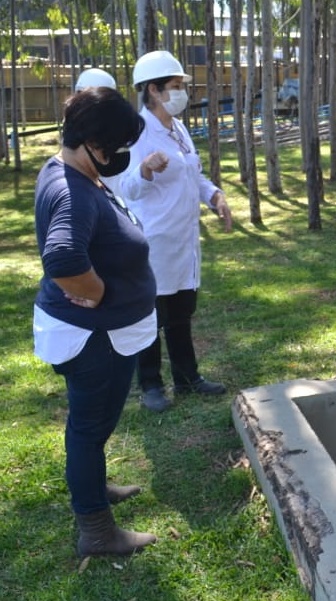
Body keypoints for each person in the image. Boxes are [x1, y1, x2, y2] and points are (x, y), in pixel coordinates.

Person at [34, 87, 157, 555]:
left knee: (93, 424)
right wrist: (101, 293)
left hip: (91, 334)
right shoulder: (72, 189)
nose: (120, 155)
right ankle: (97, 530)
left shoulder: (71, 171)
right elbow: (63, 257)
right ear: (91, 141)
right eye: (116, 146)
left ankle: (93, 486)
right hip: (91, 338)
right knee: (87, 427)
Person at [119, 50, 233, 412]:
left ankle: (188, 378)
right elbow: (125, 187)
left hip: (184, 240)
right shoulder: (137, 133)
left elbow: (192, 173)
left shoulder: (178, 128)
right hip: (154, 239)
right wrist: (145, 170)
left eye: (182, 85)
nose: (182, 92)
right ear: (152, 90)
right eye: (174, 86)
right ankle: (150, 385)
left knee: (181, 310)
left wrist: (215, 195)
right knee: (151, 315)